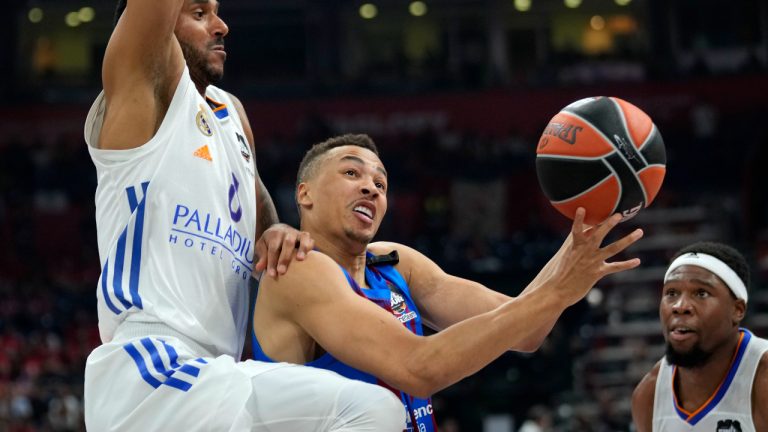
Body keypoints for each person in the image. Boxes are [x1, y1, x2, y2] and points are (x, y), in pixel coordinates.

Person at [82, 2, 407, 431]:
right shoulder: (139, 91)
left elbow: (255, 207)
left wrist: (275, 230)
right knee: (366, 410)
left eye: (217, 12)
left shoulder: (230, 113)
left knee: (379, 411)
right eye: (199, 14)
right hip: (152, 372)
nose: (221, 26)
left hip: (218, 376)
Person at [251, 134, 644, 431]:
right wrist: (558, 291)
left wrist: (590, 220)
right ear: (304, 194)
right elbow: (418, 367)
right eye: (352, 173)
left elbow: (523, 330)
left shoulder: (394, 263)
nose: (371, 187)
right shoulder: (298, 268)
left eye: (381, 183)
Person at [631, 241, 768, 431]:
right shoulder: (649, 394)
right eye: (671, 293)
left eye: (701, 293)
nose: (680, 306)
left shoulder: (762, 379)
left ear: (737, 310)